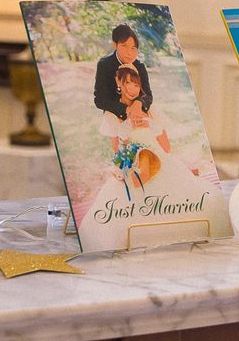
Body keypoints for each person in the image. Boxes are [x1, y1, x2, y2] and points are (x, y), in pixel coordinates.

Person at [80, 64, 229, 251]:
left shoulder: (150, 110)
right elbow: (117, 150)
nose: (132, 88)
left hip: (159, 160)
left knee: (186, 197)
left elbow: (165, 147)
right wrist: (131, 154)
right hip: (133, 164)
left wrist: (148, 134)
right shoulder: (112, 115)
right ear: (118, 83)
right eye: (127, 83)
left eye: (136, 84)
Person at [94, 24, 153, 127]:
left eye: (133, 48)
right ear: (115, 45)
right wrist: (126, 110)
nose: (129, 53)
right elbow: (100, 99)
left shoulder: (139, 66)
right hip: (115, 112)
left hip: (138, 110)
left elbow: (148, 95)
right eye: (124, 46)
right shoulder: (104, 65)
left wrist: (138, 103)